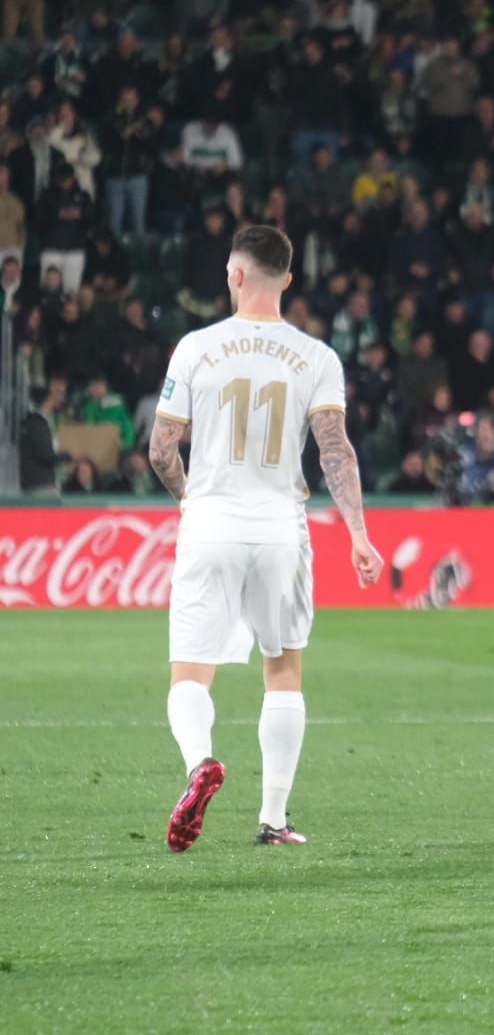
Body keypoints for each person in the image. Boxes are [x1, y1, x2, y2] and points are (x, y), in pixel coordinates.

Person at [148, 225, 384, 854]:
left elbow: (161, 449)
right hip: (282, 527)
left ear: (235, 275)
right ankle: (274, 819)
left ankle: (201, 762)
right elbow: (335, 449)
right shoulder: (316, 357)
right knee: (283, 673)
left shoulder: (196, 346)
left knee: (189, 676)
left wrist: (190, 500)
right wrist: (359, 534)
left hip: (211, 522)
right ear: (288, 279)